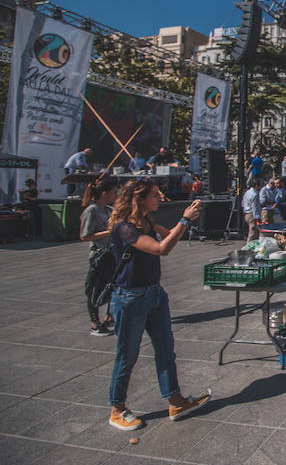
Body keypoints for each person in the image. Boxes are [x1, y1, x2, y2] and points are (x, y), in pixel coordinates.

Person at [105, 179, 208, 431]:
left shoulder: (147, 222)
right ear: (139, 199)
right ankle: (117, 409)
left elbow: (168, 235)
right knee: (127, 355)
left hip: (154, 294)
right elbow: (162, 248)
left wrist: (186, 220)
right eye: (154, 194)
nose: (159, 197)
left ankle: (175, 400)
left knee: (165, 349)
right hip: (130, 297)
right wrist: (184, 220)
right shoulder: (125, 228)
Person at [80, 178, 119, 336]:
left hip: (110, 254)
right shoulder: (92, 210)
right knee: (94, 288)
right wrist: (109, 232)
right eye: (114, 192)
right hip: (98, 254)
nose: (115, 195)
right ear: (104, 193)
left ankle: (109, 316)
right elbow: (85, 235)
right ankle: (95, 323)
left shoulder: (108, 210)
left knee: (112, 285)